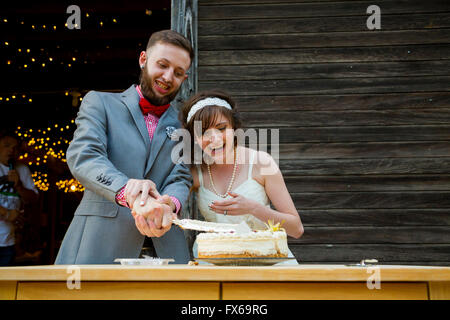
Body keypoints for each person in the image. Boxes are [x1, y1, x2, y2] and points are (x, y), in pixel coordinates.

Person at [55, 30, 194, 264]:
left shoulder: (184, 122)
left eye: (178, 73)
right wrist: (128, 191)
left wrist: (168, 205)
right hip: (99, 244)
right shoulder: (99, 103)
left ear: (184, 79)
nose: (168, 77)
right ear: (143, 59)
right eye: (162, 65)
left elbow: (181, 177)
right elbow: (85, 157)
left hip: (166, 246)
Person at [178, 90, 304, 264]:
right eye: (204, 132)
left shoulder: (261, 162)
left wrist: (254, 209)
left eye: (222, 128)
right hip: (215, 264)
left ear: (234, 128)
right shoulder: (196, 171)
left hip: (268, 264)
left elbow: (296, 229)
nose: (214, 138)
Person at [0, 130, 39, 266]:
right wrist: (7, 213)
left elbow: (34, 199)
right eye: (7, 145)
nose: (11, 150)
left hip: (9, 241)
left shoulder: (22, 169)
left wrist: (19, 186)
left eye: (15, 147)